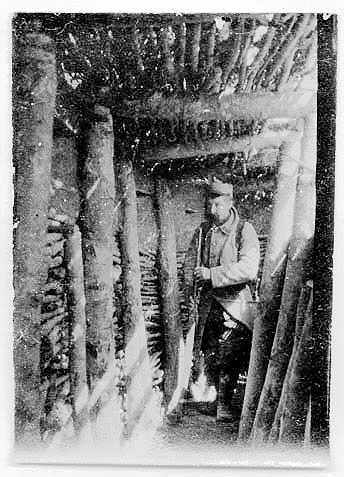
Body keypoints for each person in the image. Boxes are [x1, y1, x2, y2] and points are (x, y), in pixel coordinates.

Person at [183, 177, 260, 421]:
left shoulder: (244, 230)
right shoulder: (203, 231)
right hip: (209, 305)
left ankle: (226, 403)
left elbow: (249, 268)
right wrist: (189, 287)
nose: (212, 210)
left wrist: (211, 274)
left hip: (235, 305)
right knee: (211, 352)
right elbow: (189, 263)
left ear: (230, 203)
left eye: (217, 205)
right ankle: (217, 400)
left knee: (230, 352)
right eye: (210, 205)